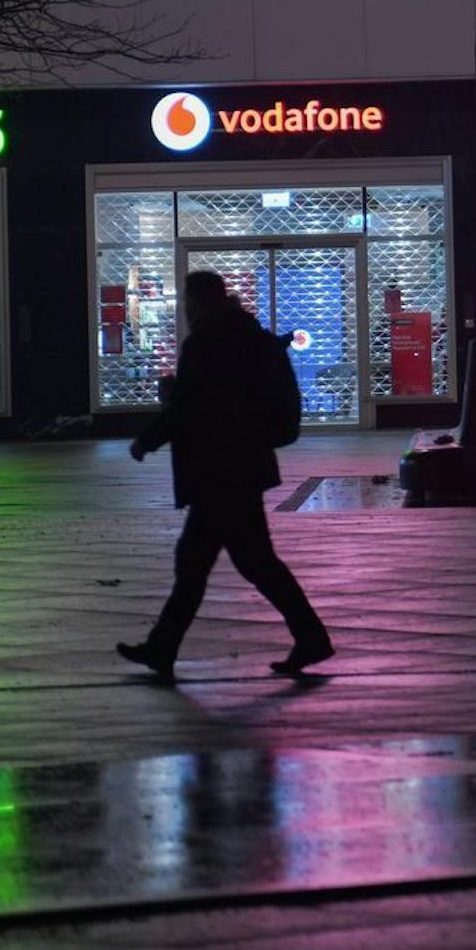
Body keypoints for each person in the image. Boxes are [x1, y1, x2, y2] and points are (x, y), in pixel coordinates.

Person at [118, 270, 333, 682]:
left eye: (186, 300)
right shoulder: (250, 337)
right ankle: (164, 648)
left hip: (219, 471)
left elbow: (187, 407)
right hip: (242, 468)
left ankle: (309, 637)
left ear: (198, 301)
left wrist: (145, 441)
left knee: (229, 563)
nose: (184, 308)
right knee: (226, 562)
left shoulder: (206, 342)